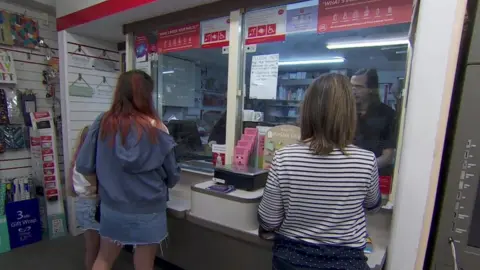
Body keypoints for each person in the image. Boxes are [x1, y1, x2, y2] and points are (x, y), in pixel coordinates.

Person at [258, 73, 381, 270]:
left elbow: (269, 220)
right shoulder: (366, 160)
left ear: (307, 110)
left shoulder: (284, 157)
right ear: (349, 114)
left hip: (292, 260)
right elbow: (373, 206)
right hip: (346, 263)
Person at [76, 70, 181, 270]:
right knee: (144, 264)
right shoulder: (158, 128)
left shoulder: (102, 122)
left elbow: (83, 165)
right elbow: (172, 177)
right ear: (147, 95)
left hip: (113, 207)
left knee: (104, 259)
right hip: (149, 211)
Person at [351, 68, 396, 175]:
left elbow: (388, 157)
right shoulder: (344, 112)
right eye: (351, 86)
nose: (353, 90)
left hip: (375, 175)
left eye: (358, 87)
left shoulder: (387, 114)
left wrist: (361, 169)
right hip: (347, 173)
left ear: (371, 89)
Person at [68, 125, 100, 270]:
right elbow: (96, 188)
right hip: (91, 206)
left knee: (91, 246)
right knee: (94, 248)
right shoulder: (90, 163)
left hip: (83, 204)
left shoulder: (77, 160)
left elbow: (74, 188)